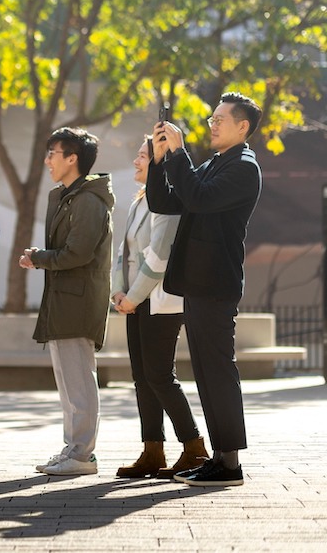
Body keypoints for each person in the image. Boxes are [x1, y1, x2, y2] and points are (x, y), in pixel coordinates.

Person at [147, 91, 263, 487]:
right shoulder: (216, 162)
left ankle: (230, 463)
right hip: (198, 283)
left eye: (220, 119)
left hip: (215, 283)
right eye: (212, 118)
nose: (211, 124)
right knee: (206, 372)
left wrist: (180, 155)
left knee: (217, 371)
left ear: (242, 126)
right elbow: (166, 201)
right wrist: (161, 157)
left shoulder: (244, 167)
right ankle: (220, 458)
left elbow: (197, 196)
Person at [111, 136, 209, 479]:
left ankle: (195, 447)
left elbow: (158, 256)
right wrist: (117, 292)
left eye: (143, 156)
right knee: (142, 378)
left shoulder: (166, 201)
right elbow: (123, 253)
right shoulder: (140, 200)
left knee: (159, 376)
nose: (137, 162)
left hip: (160, 303)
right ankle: (153, 451)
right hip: (136, 302)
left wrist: (132, 297)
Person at [20, 127, 114, 476]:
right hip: (63, 300)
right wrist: (42, 258)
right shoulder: (69, 196)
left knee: (79, 382)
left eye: (53, 154)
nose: (47, 161)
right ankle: (73, 449)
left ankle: (82, 454)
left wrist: (40, 257)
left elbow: (78, 252)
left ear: (72, 159)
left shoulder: (88, 200)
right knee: (69, 382)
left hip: (78, 302)